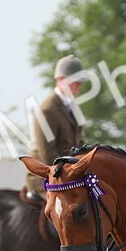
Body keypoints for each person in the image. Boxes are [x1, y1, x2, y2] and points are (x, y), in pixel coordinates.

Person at [25, 55, 86, 198]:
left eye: (79, 81)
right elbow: (47, 153)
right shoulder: (47, 110)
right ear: (61, 80)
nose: (79, 85)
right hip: (45, 176)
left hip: (66, 172)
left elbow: (79, 142)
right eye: (75, 81)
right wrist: (68, 173)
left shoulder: (72, 106)